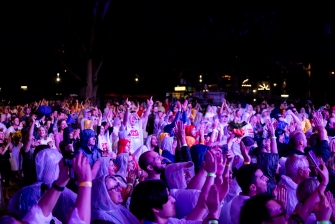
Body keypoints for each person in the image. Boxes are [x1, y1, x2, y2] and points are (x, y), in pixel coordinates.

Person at [130, 179, 221, 224]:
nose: (173, 200)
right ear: (155, 208)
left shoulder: (168, 221)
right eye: (167, 197)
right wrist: (213, 213)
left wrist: (213, 212)